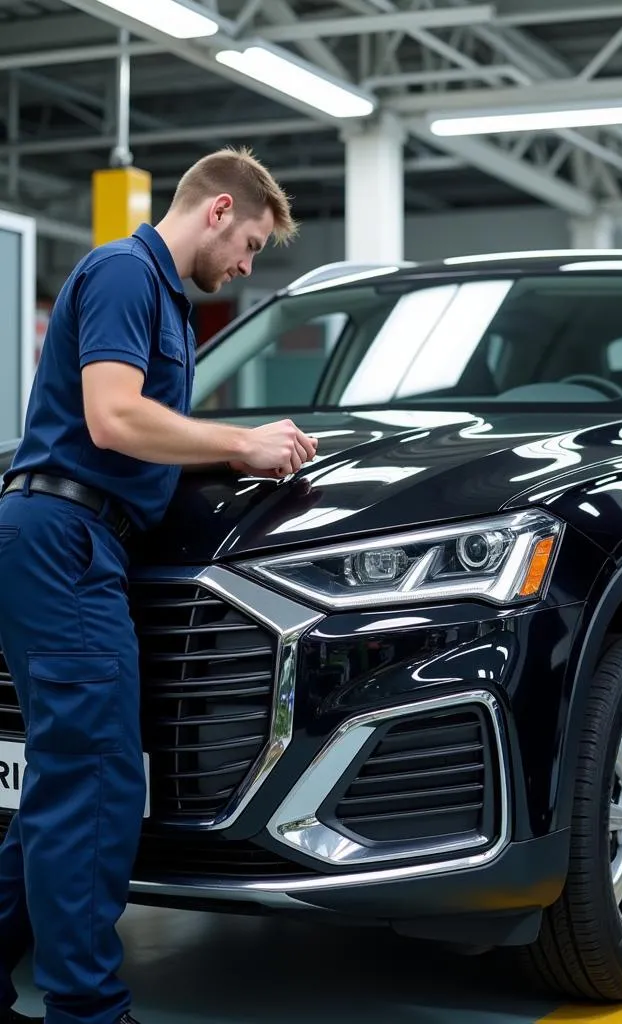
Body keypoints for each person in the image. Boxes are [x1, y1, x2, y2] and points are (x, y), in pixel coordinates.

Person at [0, 146, 319, 1024]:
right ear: (218, 210)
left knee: (62, 787)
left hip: (81, 543)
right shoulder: (123, 272)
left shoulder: (171, 310)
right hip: (66, 539)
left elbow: (145, 436)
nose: (247, 265)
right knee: (95, 781)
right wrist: (239, 443)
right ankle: (87, 1011)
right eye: (251, 244)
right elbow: (114, 415)